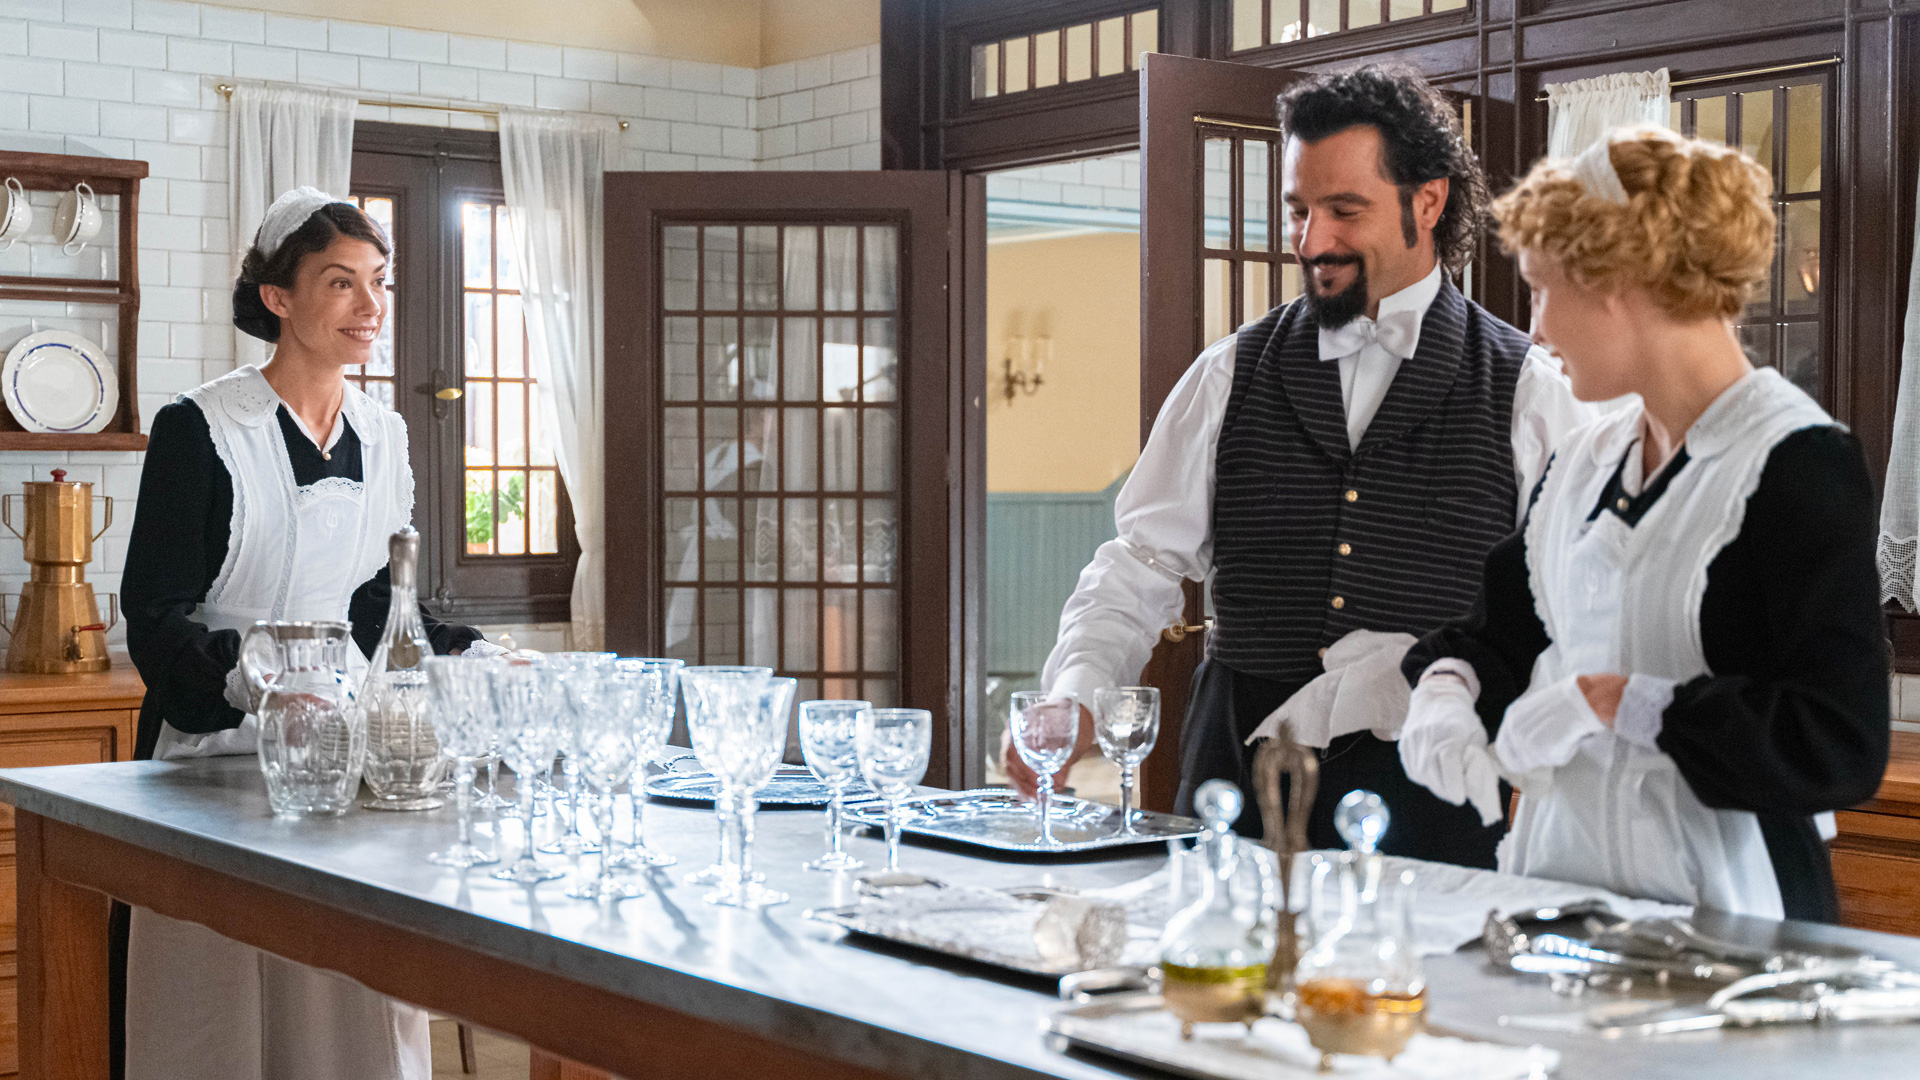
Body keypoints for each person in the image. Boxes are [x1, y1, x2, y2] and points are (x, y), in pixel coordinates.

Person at [1013, 66, 1591, 866]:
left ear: (1428, 201)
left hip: (1436, 803)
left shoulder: (1532, 391)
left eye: (1344, 210)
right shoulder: (1229, 373)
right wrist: (1075, 693)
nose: (1313, 240)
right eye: (1299, 211)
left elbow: (1578, 610)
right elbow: (1139, 564)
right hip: (1235, 785)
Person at [1397, 127, 1889, 920]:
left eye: (1542, 290)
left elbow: (1837, 743)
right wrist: (1446, 691)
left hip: (1729, 909)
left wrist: (1616, 702)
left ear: (1617, 283)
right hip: (1558, 894)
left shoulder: (1796, 465)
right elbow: (1499, 635)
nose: (1537, 330)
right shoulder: (1582, 463)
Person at [120, 187, 494, 1080]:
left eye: (379, 281)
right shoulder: (200, 428)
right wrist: (259, 684)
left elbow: (373, 603)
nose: (371, 306)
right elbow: (155, 616)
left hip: (343, 754)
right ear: (278, 298)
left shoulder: (383, 432)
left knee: (351, 988)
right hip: (211, 755)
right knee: (217, 1007)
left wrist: (469, 651)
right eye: (341, 282)